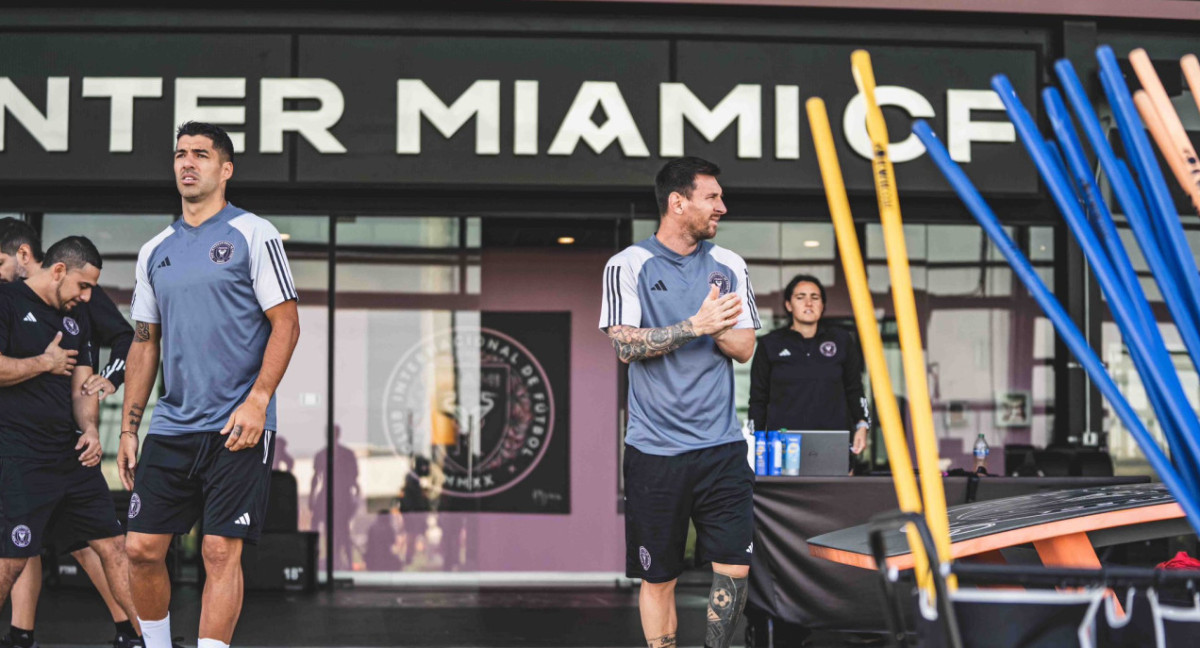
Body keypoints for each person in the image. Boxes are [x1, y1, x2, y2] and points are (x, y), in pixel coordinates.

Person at [118, 122, 300, 648]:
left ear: (226, 170)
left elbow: (286, 323)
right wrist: (130, 429)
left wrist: (258, 401)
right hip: (173, 425)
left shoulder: (253, 233)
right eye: (179, 154)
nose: (187, 162)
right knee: (141, 549)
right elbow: (144, 342)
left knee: (219, 552)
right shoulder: (155, 250)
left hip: (237, 426)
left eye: (200, 154)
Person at [600, 157, 759, 648]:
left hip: (722, 448)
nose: (722, 207)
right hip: (655, 451)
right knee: (659, 578)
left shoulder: (730, 266)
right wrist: (695, 325)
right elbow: (625, 346)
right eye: (712, 198)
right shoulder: (627, 265)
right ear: (678, 202)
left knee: (734, 569)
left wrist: (716, 328)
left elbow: (745, 346)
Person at [0, 218, 142, 648]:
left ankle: (146, 639)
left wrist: (92, 430)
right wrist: (40, 364)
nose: (86, 297)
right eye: (83, 286)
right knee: (11, 560)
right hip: (20, 455)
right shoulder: (6, 299)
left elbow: (82, 383)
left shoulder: (77, 316)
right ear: (59, 270)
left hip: (71, 457)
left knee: (115, 547)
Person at [748, 274, 870, 459]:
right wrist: (755, 441)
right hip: (783, 445)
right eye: (800, 297)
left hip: (833, 443)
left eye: (815, 297)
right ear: (789, 305)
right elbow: (758, 399)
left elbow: (855, 389)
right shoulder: (770, 344)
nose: (808, 303)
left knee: (836, 488)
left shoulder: (842, 341)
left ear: (822, 305)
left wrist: (862, 424)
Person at [309, 424, 360, 571]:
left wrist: (354, 498)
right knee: (323, 529)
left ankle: (347, 563)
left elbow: (354, 479)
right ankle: (328, 560)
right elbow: (316, 477)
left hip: (342, 497)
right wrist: (312, 497)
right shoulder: (322, 455)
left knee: (343, 531)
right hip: (327, 496)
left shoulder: (347, 455)